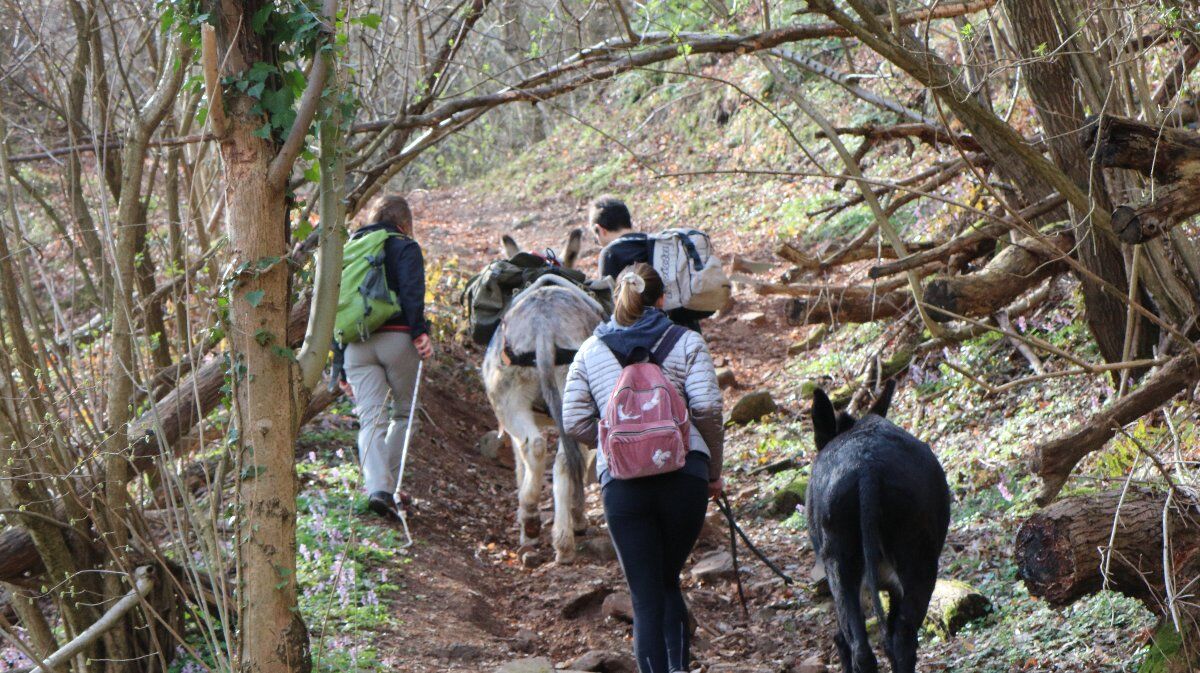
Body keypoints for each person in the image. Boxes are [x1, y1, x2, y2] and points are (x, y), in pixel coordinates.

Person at [562, 263, 725, 673]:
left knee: (645, 595)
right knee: (668, 580)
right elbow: (706, 407)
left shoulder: (590, 351)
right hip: (684, 477)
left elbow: (573, 421)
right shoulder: (686, 342)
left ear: (618, 298)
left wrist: (613, 446)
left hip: (623, 487)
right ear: (661, 300)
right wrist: (712, 469)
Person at [339, 194, 433, 519]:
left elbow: (335, 307)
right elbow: (411, 291)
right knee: (403, 414)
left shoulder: (348, 251)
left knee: (370, 419)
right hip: (397, 338)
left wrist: (338, 364)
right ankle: (391, 489)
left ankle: (378, 488)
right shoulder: (404, 246)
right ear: (404, 223)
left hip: (355, 345)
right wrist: (419, 331)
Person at [590, 195, 710, 332]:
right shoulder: (656, 243)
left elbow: (610, 305)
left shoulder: (610, 253)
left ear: (600, 229)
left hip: (646, 335)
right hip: (687, 330)